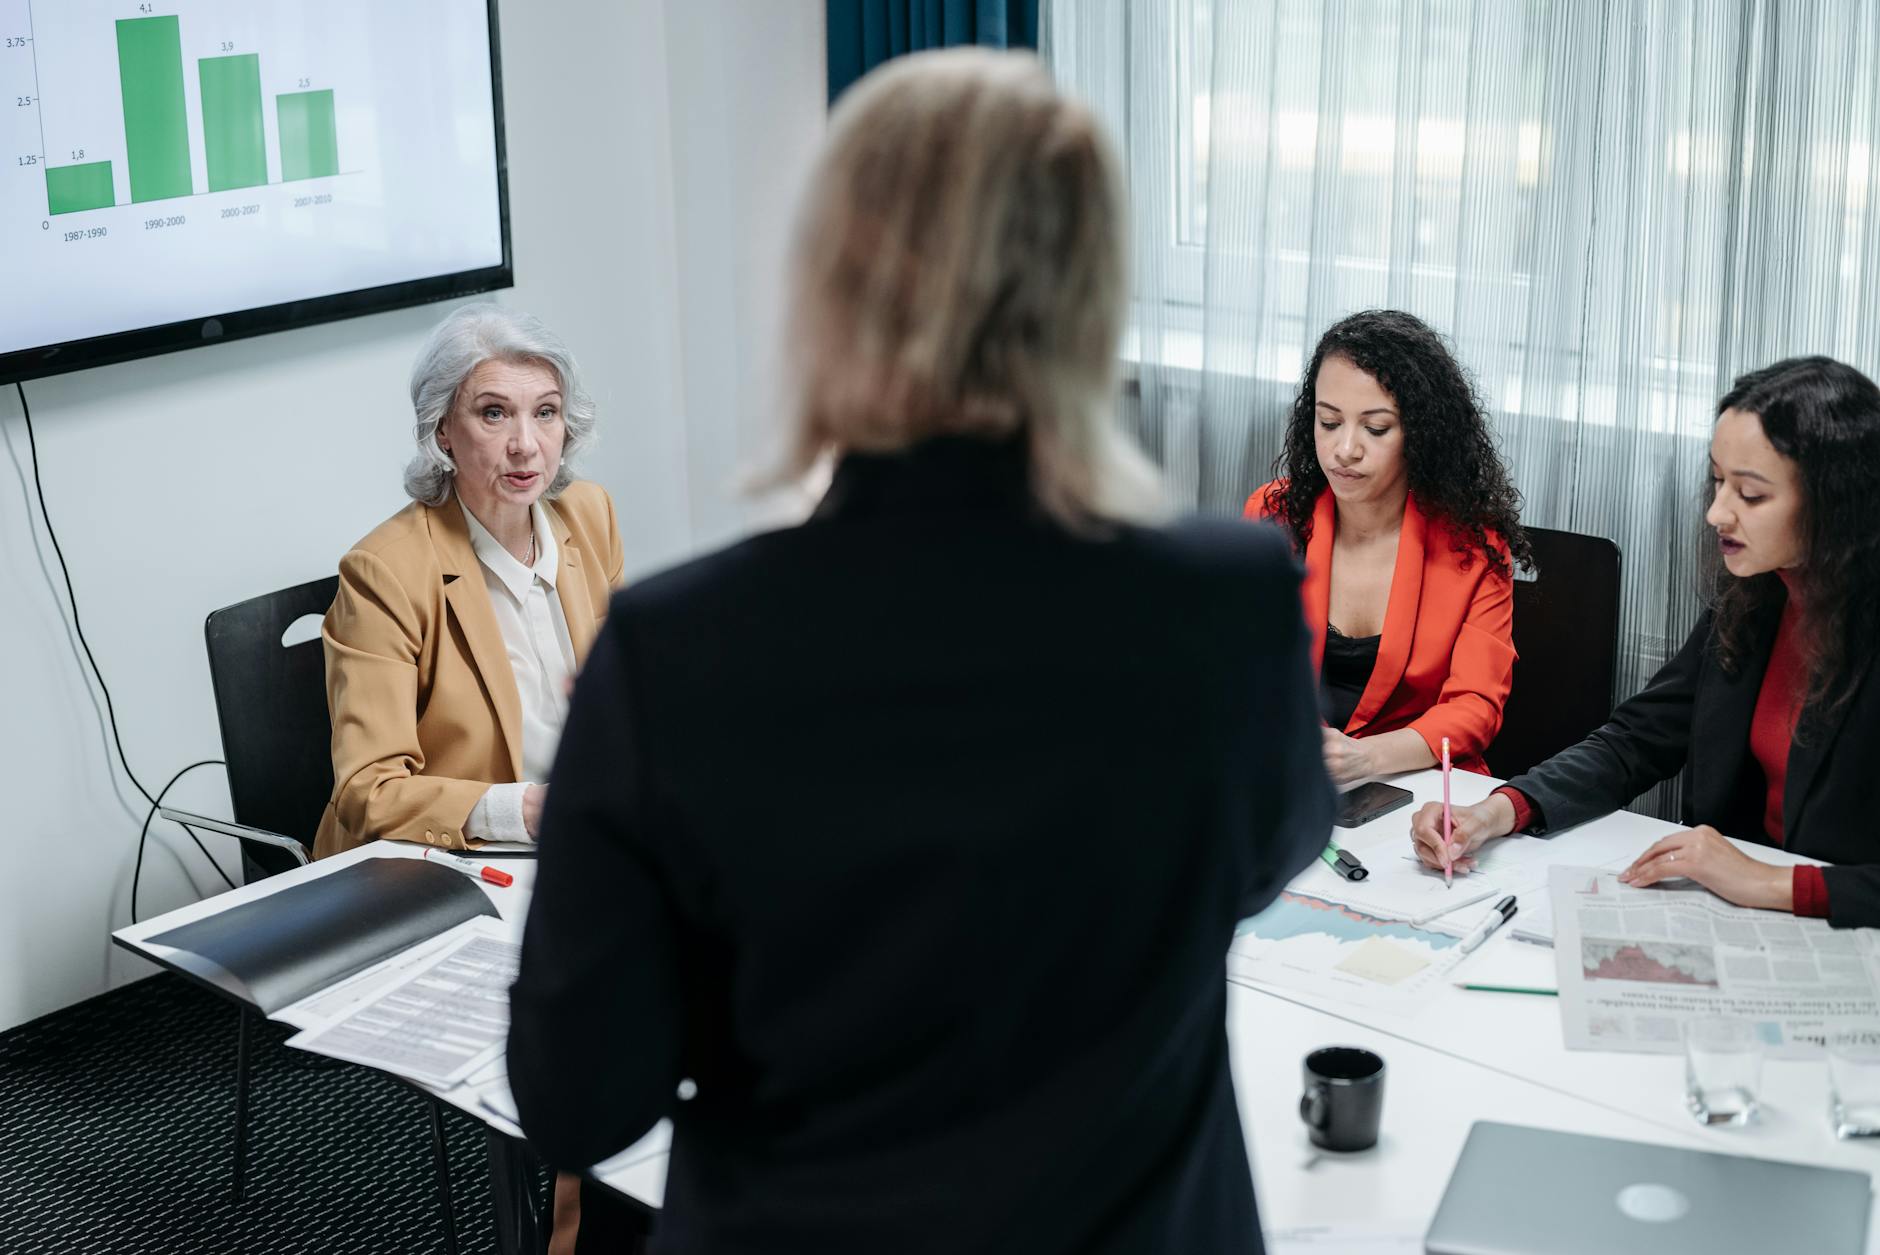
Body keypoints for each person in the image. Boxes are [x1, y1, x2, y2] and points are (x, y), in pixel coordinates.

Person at [508, 48, 1332, 1255]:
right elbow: (1263, 857)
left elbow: (577, 1099)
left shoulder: (676, 652)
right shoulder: (1227, 598)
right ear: (1090, 297)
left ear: (828, 295)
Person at [1410, 356, 1880, 928]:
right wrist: (1498, 810)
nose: (1716, 512)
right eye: (1717, 480)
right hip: (1737, 918)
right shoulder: (1759, 596)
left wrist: (1773, 882)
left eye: (1751, 495)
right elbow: (1635, 740)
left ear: (1838, 504)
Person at [314, 303, 624, 861]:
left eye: (546, 412)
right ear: (442, 431)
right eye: (494, 414)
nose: (526, 444)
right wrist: (525, 810)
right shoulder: (384, 572)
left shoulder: (590, 514)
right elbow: (368, 790)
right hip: (450, 861)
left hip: (585, 836)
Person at [1245, 310, 1531, 783]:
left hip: (1415, 785)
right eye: (1329, 422)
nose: (1345, 449)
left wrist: (1366, 757)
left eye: (1376, 429)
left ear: (1420, 434)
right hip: (1287, 771)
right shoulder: (1274, 513)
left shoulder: (1474, 545)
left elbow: (1475, 705)